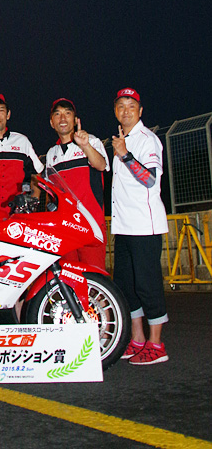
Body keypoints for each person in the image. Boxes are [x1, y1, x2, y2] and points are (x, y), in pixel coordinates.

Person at [111, 88, 169, 365]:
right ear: (115, 111)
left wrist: (125, 155)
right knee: (126, 286)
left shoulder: (147, 140)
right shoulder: (121, 139)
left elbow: (150, 180)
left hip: (145, 226)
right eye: (121, 106)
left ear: (140, 111)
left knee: (147, 285)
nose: (126, 111)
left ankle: (156, 344)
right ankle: (137, 339)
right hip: (123, 226)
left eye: (131, 106)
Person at [45, 98, 109, 269]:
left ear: (75, 120)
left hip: (90, 226)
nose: (62, 118)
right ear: (52, 123)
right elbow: (51, 194)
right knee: (68, 276)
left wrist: (85, 146)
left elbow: (101, 165)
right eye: (57, 114)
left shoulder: (91, 141)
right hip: (65, 228)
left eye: (67, 113)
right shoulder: (51, 154)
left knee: (93, 277)